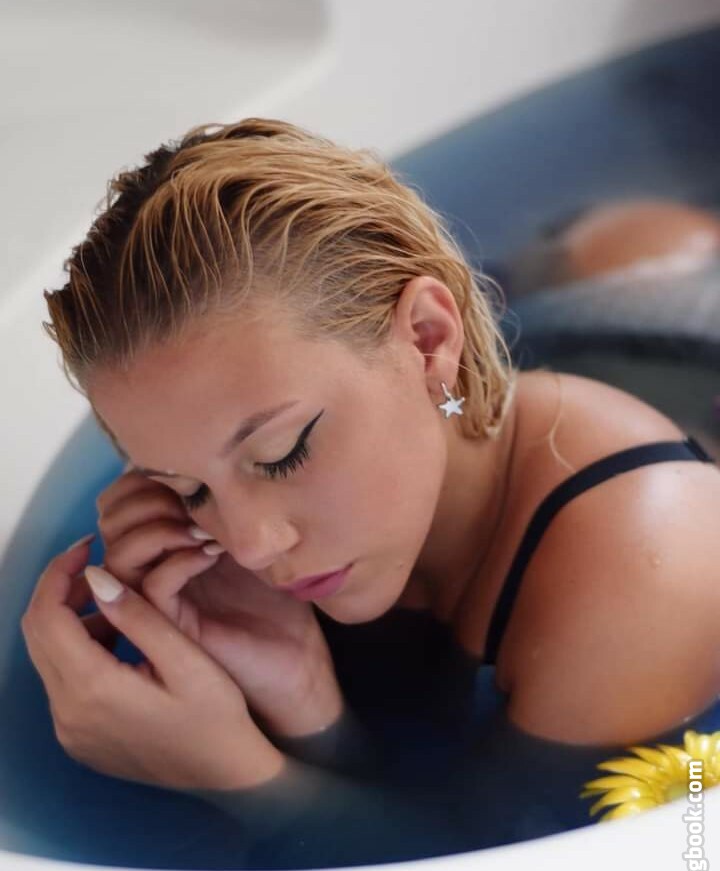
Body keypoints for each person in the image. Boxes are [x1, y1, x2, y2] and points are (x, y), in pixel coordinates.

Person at [21, 118, 720, 807]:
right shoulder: (254, 538)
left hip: (659, 322)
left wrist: (238, 775)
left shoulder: (652, 564)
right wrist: (300, 701)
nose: (251, 545)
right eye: (188, 488)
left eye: (282, 454)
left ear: (428, 338)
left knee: (630, 245)